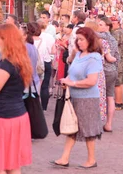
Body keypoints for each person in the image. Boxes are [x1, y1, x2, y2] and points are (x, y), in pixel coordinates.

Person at [0, 23, 33, 174]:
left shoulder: (7, 64)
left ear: (5, 40)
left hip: (4, 118)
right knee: (12, 164)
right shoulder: (19, 60)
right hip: (17, 115)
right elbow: (8, 82)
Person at [52, 27, 102, 170]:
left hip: (88, 99)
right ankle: (64, 158)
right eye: (77, 39)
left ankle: (91, 159)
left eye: (81, 39)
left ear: (90, 40)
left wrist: (72, 83)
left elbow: (92, 81)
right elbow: (72, 74)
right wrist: (66, 81)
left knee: (88, 130)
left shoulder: (94, 57)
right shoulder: (79, 54)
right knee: (72, 127)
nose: (78, 42)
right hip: (74, 97)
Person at [97, 17, 118, 132]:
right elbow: (116, 56)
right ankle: (109, 123)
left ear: (107, 26)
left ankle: (96, 121)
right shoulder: (114, 40)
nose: (98, 26)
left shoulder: (102, 38)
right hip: (113, 70)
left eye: (100, 24)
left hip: (103, 70)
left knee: (99, 96)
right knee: (110, 97)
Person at [36, 19, 55, 111]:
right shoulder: (50, 37)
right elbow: (53, 51)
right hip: (47, 61)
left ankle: (35, 105)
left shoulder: (35, 37)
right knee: (45, 85)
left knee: (34, 84)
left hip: (36, 62)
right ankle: (44, 106)